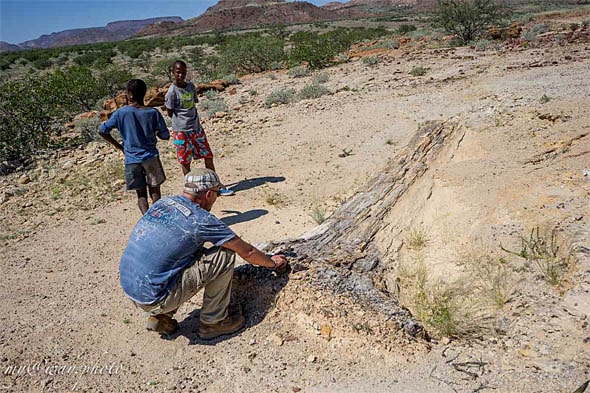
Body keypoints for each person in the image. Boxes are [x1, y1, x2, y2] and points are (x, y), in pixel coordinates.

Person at [119, 168, 288, 339]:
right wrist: (272, 263)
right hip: (156, 298)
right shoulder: (200, 220)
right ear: (208, 194)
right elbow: (248, 251)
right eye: (217, 193)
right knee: (224, 255)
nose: (216, 198)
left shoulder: (164, 203)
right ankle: (213, 323)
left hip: (133, 290)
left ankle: (161, 317)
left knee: (189, 250)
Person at [99, 79, 170, 214]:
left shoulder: (121, 113)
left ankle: (147, 219)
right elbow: (165, 135)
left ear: (130, 94)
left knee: (141, 194)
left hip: (132, 159)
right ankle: (159, 216)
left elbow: (103, 130)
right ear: (144, 93)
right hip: (151, 157)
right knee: (155, 190)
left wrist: (119, 147)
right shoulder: (153, 112)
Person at [164, 59, 234, 196]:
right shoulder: (171, 92)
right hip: (181, 131)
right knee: (185, 161)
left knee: (208, 155)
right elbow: (169, 112)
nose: (181, 75)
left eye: (183, 72)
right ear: (173, 73)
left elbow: (193, 104)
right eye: (178, 72)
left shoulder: (190, 87)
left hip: (196, 128)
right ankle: (191, 191)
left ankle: (216, 186)